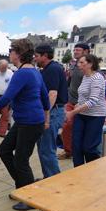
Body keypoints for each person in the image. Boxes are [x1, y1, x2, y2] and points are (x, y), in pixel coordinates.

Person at [0, 39, 50, 211]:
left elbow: (6, 99)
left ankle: (29, 198)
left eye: (11, 50)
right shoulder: (34, 72)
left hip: (30, 123)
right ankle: (23, 186)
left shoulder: (22, 73)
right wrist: (46, 119)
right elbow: (44, 99)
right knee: (4, 150)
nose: (9, 53)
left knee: (21, 160)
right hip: (28, 121)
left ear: (18, 53)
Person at [66, 54, 106, 167]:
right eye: (78, 62)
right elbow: (82, 97)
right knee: (76, 146)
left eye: (81, 63)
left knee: (89, 147)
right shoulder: (85, 77)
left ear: (90, 64)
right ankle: (77, 171)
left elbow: (93, 100)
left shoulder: (97, 78)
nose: (78, 65)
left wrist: (73, 112)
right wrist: (77, 106)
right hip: (81, 114)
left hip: (95, 116)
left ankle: (91, 170)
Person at [34, 44, 68, 178]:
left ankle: (53, 180)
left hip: (53, 112)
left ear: (45, 55)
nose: (35, 58)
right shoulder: (47, 69)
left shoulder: (53, 69)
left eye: (37, 56)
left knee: (47, 149)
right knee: (43, 148)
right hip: (53, 111)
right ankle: (48, 178)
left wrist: (45, 116)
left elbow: (52, 94)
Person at [59, 43, 90, 160]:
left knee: (75, 127)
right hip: (70, 101)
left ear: (86, 51)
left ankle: (76, 151)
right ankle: (68, 151)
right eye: (74, 50)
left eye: (78, 50)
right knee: (66, 125)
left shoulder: (90, 67)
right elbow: (70, 81)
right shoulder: (73, 65)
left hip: (83, 104)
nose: (75, 52)